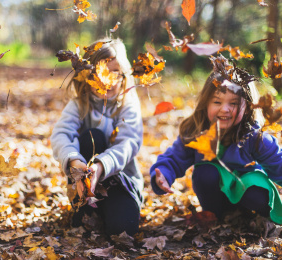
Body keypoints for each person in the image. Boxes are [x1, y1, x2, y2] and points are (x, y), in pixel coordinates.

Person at [150, 55, 282, 224]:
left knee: (255, 189)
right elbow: (174, 158)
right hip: (215, 195)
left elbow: (278, 163)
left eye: (233, 103)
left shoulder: (255, 137)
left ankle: (252, 217)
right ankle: (215, 216)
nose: (224, 109)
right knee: (205, 173)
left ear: (248, 107)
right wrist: (163, 175)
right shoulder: (197, 131)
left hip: (248, 192)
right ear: (206, 103)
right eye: (217, 102)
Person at [51, 38, 143, 236]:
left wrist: (100, 167)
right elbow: (61, 134)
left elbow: (128, 143)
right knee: (92, 136)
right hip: (84, 184)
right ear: (86, 75)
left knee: (123, 231)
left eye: (114, 72)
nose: (106, 80)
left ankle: (113, 210)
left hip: (120, 183)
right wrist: (74, 160)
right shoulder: (79, 105)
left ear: (123, 74)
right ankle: (84, 209)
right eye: (99, 72)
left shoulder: (128, 105)